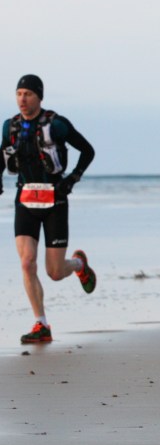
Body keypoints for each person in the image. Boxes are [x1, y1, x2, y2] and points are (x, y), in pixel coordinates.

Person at [1, 74, 96, 344]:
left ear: (39, 97)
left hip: (55, 201)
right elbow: (2, 154)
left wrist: (72, 179)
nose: (22, 98)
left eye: (28, 94)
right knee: (27, 262)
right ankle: (41, 324)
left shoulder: (57, 124)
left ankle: (79, 264)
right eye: (19, 93)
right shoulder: (10, 126)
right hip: (25, 200)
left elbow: (88, 151)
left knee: (54, 272)